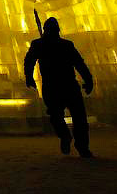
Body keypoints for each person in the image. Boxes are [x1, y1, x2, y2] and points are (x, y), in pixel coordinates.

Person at [24, 17, 94, 158]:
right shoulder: (43, 44)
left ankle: (80, 146)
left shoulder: (61, 45)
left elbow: (79, 63)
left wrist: (88, 79)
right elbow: (30, 61)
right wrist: (29, 76)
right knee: (59, 117)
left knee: (76, 117)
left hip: (64, 85)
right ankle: (68, 138)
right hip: (56, 85)